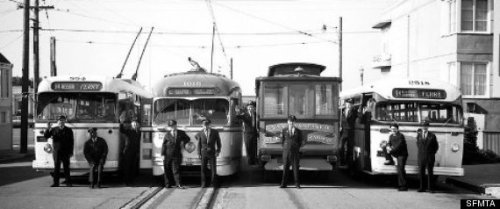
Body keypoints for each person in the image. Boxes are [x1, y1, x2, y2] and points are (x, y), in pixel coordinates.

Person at [44, 115, 74, 187]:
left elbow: (71, 142)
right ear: (58, 122)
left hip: (66, 152)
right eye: (60, 120)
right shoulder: (54, 129)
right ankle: (56, 183)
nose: (61, 122)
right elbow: (46, 136)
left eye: (62, 120)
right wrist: (48, 128)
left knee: (66, 168)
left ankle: (68, 183)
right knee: (56, 168)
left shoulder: (69, 130)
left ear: (64, 121)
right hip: (57, 152)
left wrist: (71, 152)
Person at [162, 120, 190, 189]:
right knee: (167, 170)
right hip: (168, 154)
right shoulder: (167, 134)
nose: (172, 127)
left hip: (177, 154)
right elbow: (164, 145)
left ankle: (178, 184)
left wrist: (183, 142)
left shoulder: (181, 132)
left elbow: (188, 138)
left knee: (176, 170)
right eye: (171, 126)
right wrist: (162, 154)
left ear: (176, 125)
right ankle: (167, 184)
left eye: (173, 125)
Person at [195, 119, 222, 188]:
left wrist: (218, 151)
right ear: (202, 125)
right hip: (203, 153)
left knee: (213, 169)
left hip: (212, 152)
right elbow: (198, 144)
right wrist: (198, 153)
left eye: (207, 125)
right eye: (204, 125)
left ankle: (214, 184)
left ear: (209, 125)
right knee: (203, 169)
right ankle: (203, 183)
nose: (205, 126)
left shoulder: (215, 132)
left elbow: (218, 143)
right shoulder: (200, 133)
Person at [280, 115, 304, 189]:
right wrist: (286, 148)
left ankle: (297, 184)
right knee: (285, 168)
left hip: (295, 152)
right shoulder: (284, 130)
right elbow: (282, 141)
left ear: (295, 122)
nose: (291, 122)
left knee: (296, 168)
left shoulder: (298, 131)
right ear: (287, 121)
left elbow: (300, 142)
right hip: (286, 152)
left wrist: (296, 147)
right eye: (290, 121)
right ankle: (283, 184)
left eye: (293, 121)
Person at [417, 121, 439, 193]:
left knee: (430, 172)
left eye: (426, 126)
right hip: (421, 157)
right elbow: (418, 145)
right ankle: (422, 188)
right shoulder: (419, 135)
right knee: (421, 172)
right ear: (421, 127)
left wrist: (431, 154)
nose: (424, 127)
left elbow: (436, 146)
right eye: (423, 126)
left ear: (428, 127)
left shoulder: (432, 135)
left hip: (430, 157)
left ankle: (430, 188)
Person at [386, 123, 408, 191]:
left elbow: (399, 146)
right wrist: (388, 147)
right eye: (392, 129)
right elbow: (388, 143)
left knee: (401, 169)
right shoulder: (391, 136)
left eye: (395, 129)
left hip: (402, 155)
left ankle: (403, 186)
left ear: (397, 129)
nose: (393, 130)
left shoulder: (401, 136)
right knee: (398, 170)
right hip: (396, 154)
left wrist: (391, 151)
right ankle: (400, 184)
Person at [122, 120, 141, 185]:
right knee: (127, 166)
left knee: (133, 167)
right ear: (131, 126)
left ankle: (131, 180)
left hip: (135, 151)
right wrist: (121, 122)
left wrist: (138, 152)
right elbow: (122, 130)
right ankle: (126, 181)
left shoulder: (138, 132)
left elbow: (138, 143)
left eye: (136, 124)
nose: (135, 126)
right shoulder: (128, 131)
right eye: (134, 125)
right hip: (128, 151)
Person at [339, 99, 357, 166]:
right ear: (346, 104)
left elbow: (359, 118)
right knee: (341, 147)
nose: (349, 105)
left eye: (351, 103)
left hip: (351, 132)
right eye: (348, 103)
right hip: (343, 132)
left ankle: (348, 162)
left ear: (352, 105)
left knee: (350, 148)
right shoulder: (342, 111)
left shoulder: (355, 112)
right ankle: (342, 161)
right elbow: (339, 120)